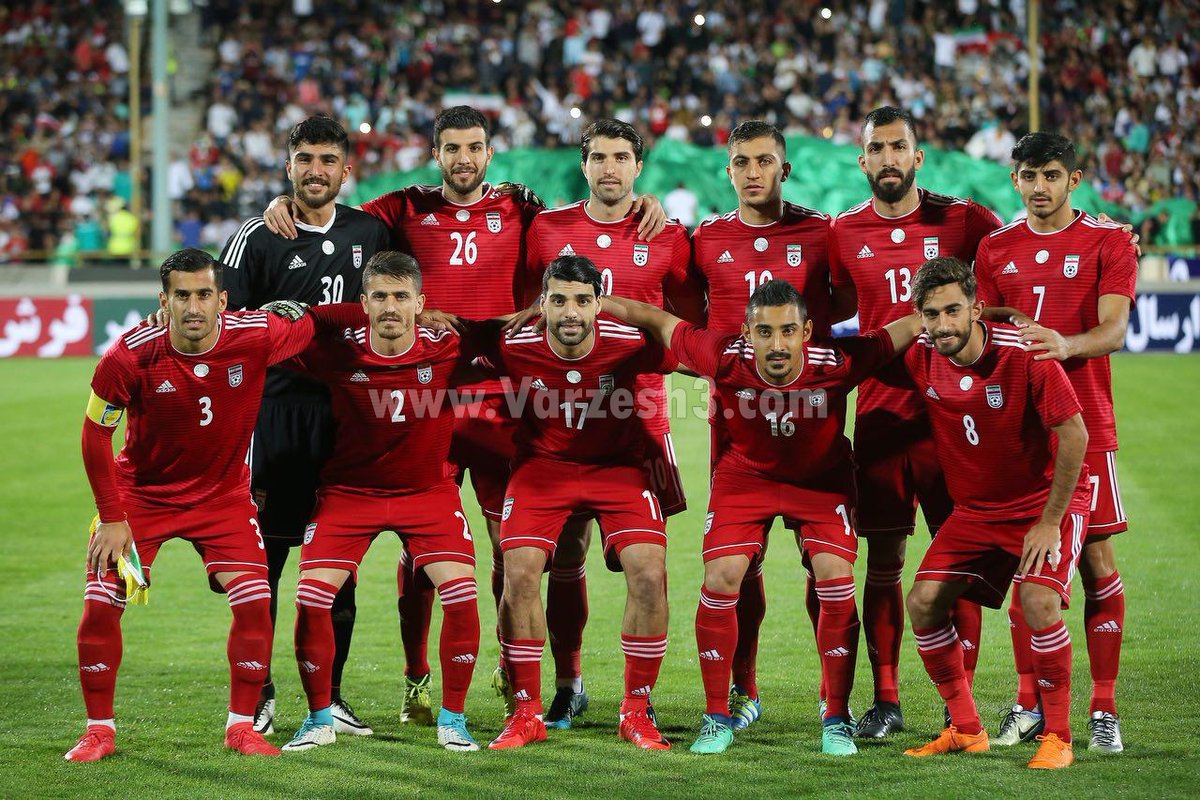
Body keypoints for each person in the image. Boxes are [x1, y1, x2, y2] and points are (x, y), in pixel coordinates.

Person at [265, 107, 667, 725]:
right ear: (436, 153)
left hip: (507, 403)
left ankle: (519, 673)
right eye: (451, 148)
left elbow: (579, 232)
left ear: (489, 153)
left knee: (519, 546)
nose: (462, 159)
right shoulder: (400, 210)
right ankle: (416, 678)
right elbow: (332, 219)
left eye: (474, 147)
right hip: (430, 402)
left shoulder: (523, 210)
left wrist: (647, 204)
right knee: (422, 546)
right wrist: (283, 205)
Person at [599, 281, 922, 756]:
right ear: (746, 331)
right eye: (764, 332)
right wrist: (597, 302)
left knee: (835, 580)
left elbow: (907, 327)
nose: (777, 344)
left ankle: (835, 715)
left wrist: (979, 314)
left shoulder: (838, 363)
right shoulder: (724, 356)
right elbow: (657, 319)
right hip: (744, 480)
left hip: (820, 482)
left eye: (789, 331)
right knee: (722, 576)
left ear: (807, 331)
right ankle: (716, 716)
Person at [67, 249, 318, 762]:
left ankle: (242, 727)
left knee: (254, 602)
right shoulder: (128, 355)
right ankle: (99, 730)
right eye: (182, 295)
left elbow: (313, 326)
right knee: (100, 605)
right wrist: (113, 518)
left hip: (224, 498)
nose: (194, 306)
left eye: (204, 294)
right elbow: (95, 437)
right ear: (164, 302)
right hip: (142, 498)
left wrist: (306, 311)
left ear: (222, 300)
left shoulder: (253, 335)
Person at [514, 119, 700, 729]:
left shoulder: (668, 235)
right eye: (599, 158)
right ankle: (568, 684)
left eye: (622, 157)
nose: (610, 169)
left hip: (638, 417)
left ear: (639, 167)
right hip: (558, 417)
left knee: (643, 564)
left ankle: (644, 701)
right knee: (564, 555)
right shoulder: (547, 229)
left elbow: (689, 320)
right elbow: (523, 313)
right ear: (583, 164)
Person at [829, 106, 1002, 737]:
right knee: (883, 558)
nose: (888, 158)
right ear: (863, 161)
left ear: (917, 156)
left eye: (898, 146)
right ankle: (888, 698)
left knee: (962, 559)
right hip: (881, 415)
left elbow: (1019, 258)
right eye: (877, 148)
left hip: (957, 420)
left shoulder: (964, 219)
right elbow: (826, 307)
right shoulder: (843, 232)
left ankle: (965, 705)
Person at [219, 115, 389, 737]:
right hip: (275, 417)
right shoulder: (256, 237)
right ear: (288, 165)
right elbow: (222, 327)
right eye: (304, 159)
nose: (315, 171)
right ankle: (257, 692)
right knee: (264, 562)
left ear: (347, 170)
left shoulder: (371, 232)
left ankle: (331, 697)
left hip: (347, 419)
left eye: (327, 160)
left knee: (337, 565)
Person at [279, 253, 486, 753]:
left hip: (428, 493)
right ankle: (318, 717)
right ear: (363, 304)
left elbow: (510, 339)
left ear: (420, 303)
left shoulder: (450, 346)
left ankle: (453, 719)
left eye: (400, 297)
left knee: (461, 595)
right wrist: (282, 314)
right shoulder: (335, 351)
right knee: (312, 599)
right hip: (350, 494)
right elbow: (259, 345)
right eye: (379, 297)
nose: (390, 307)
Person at [975, 132, 1138, 753]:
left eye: (1050, 175)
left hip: (1086, 425)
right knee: (1027, 566)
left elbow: (1116, 328)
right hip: (1019, 434)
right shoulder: (996, 248)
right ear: (1014, 180)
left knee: (1097, 566)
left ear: (1074, 178)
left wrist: (1066, 345)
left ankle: (1103, 708)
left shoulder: (1109, 240)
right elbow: (984, 323)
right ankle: (1030, 703)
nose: (1038, 187)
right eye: (1027, 176)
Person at [902, 255, 1090, 770]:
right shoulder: (922, 354)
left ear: (976, 310)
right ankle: (966, 727)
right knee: (922, 603)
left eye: (953, 311)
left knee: (1038, 603)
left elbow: (1075, 435)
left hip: (1044, 504)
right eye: (932, 314)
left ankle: (1058, 738)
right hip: (976, 512)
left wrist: (1050, 521)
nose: (943, 325)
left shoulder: (1027, 353)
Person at [486, 255, 677, 751]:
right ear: (541, 304)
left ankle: (636, 711)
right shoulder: (512, 343)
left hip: (618, 468)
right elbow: (447, 343)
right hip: (541, 471)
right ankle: (526, 712)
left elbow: (702, 350)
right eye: (559, 300)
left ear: (599, 304)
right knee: (520, 571)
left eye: (582, 301)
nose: (571, 312)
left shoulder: (629, 341)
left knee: (650, 571)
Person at [689, 119, 836, 731]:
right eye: (743, 163)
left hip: (811, 422)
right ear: (728, 172)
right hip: (735, 426)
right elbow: (679, 315)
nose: (754, 173)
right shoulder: (705, 239)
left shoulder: (822, 236)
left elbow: (855, 308)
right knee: (736, 565)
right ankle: (743, 691)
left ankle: (837, 702)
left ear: (785, 168)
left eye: (765, 161)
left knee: (824, 564)